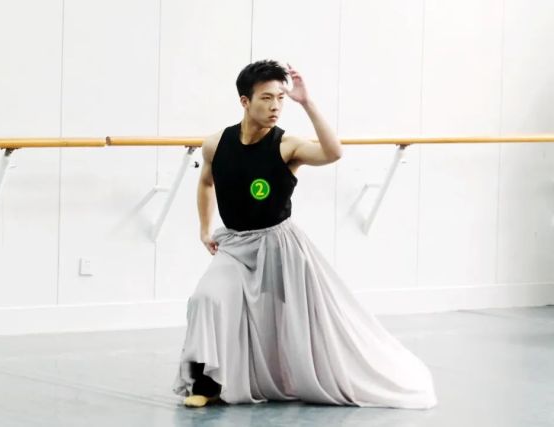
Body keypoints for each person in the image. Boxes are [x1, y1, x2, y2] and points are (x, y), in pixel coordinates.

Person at [173, 60, 437, 409]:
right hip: (235, 246)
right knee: (205, 299)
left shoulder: (287, 146)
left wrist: (307, 103)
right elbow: (206, 182)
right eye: (266, 98)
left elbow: (333, 152)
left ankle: (299, 373)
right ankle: (204, 384)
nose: (275, 106)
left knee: (304, 319)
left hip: (279, 246)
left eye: (280, 98)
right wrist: (204, 228)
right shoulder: (215, 144)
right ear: (244, 102)